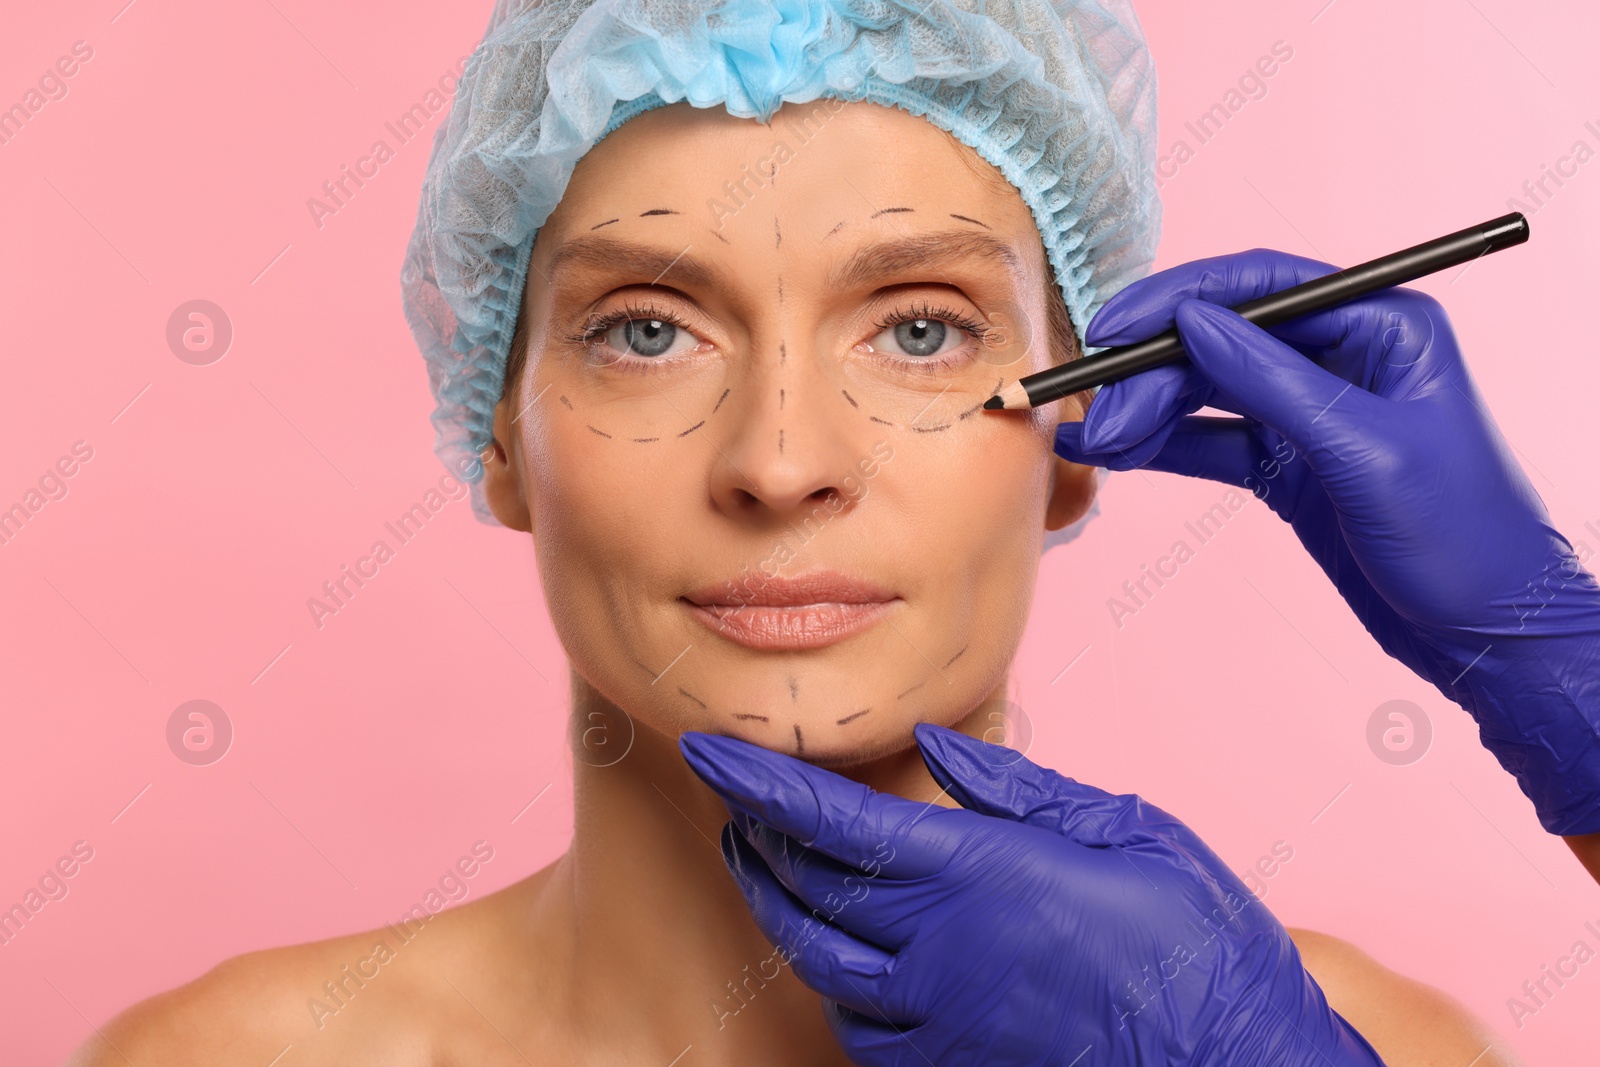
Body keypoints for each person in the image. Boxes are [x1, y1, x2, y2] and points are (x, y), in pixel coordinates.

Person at [69, 93, 1516, 1067]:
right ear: (502, 443)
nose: (778, 459)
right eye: (644, 331)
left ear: (1082, 436)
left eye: (920, 329)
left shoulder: (1365, 1041)